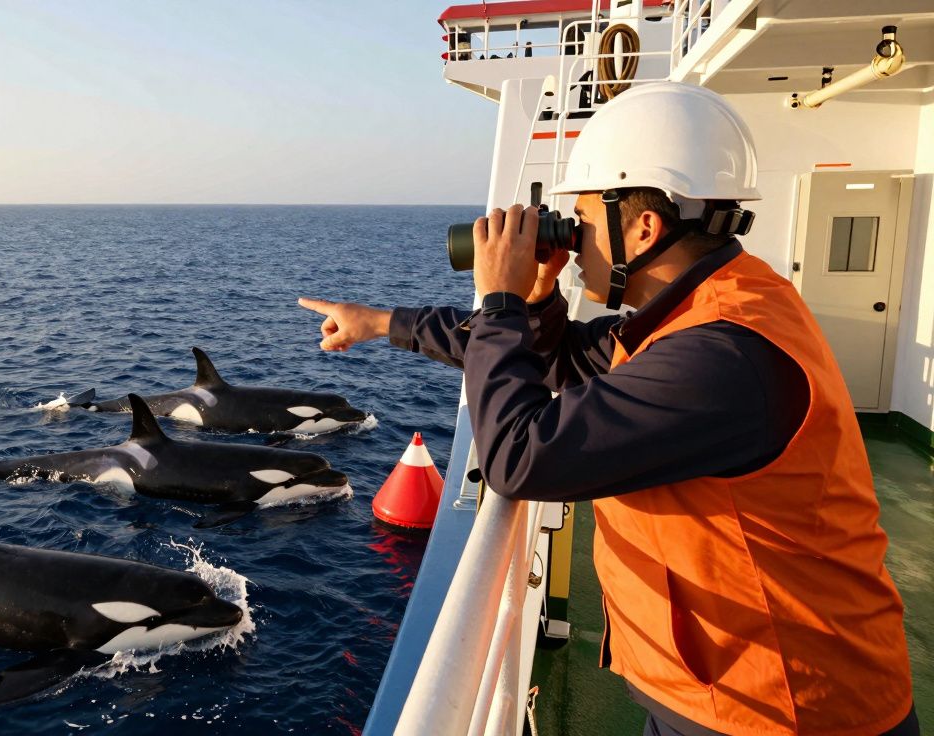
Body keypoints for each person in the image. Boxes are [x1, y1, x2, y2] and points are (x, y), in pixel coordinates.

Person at [299, 82, 917, 736]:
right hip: (728, 692)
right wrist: (398, 319)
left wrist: (500, 299)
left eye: (583, 218)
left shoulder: (719, 358)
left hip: (786, 709)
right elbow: (560, 359)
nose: (571, 236)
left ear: (644, 227)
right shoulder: (707, 312)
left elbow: (518, 458)